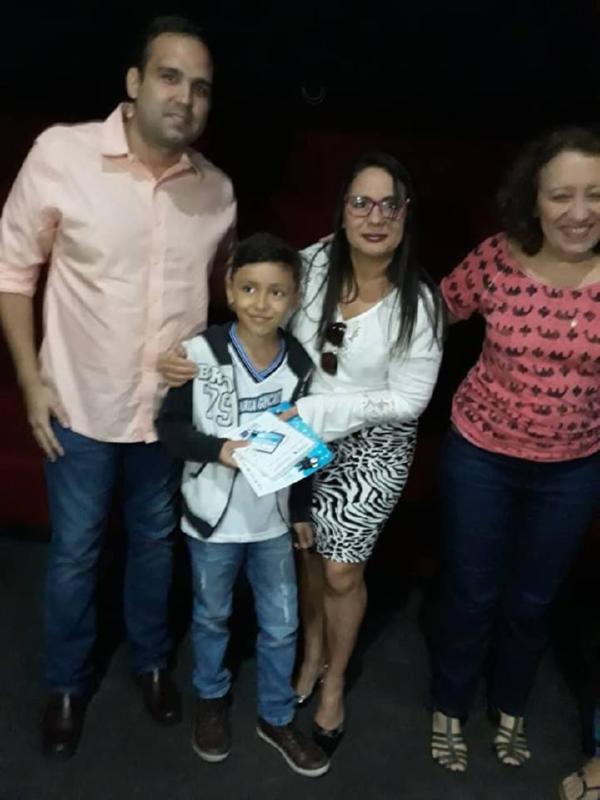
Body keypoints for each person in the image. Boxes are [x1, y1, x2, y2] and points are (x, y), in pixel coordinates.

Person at [0, 15, 236, 759]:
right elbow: (12, 273)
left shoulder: (217, 192)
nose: (185, 97)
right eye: (170, 76)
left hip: (167, 417)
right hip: (78, 404)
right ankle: (67, 683)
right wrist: (30, 382)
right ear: (134, 83)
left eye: (201, 87)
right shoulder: (61, 154)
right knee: (75, 551)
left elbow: (223, 293)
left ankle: (152, 662)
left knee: (156, 543)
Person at [430, 126, 600, 773]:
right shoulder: (497, 258)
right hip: (481, 456)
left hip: (574, 469)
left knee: (532, 601)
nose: (579, 212)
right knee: (470, 593)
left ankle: (510, 705)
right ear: (534, 199)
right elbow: (432, 315)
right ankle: (450, 704)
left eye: (595, 194)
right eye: (561, 195)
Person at [285, 151, 444, 754]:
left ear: (406, 214)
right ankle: (312, 653)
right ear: (342, 211)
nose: (375, 217)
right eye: (361, 203)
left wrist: (322, 413)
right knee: (305, 553)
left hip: (375, 441)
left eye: (388, 205)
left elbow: (409, 400)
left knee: (340, 568)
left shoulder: (420, 303)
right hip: (300, 430)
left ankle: (335, 683)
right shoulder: (310, 267)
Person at [156, 232, 330, 777]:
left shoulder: (298, 363)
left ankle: (276, 715)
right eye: (250, 288)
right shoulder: (200, 353)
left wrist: (299, 511)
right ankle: (211, 698)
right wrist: (218, 450)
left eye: (277, 292)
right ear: (229, 290)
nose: (262, 302)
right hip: (211, 519)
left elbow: (301, 444)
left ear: (294, 299)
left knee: (281, 624)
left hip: (270, 522)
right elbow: (170, 429)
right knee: (212, 615)